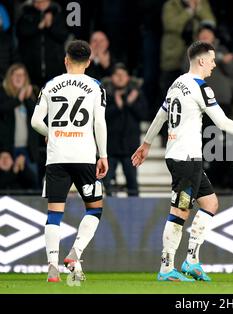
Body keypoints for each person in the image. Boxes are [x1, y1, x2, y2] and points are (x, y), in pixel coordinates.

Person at [131, 41, 233, 282]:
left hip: (185, 156)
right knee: (180, 211)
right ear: (201, 61)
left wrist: (147, 143)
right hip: (185, 158)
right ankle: (167, 267)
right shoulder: (201, 88)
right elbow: (223, 123)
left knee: (210, 204)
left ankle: (191, 261)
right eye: (211, 59)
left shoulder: (177, 83)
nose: (214, 64)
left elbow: (161, 114)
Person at [31, 40, 108, 283]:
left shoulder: (51, 85)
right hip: (84, 157)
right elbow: (99, 123)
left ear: (66, 60)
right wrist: (103, 155)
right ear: (88, 62)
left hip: (57, 158)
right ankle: (75, 253)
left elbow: (35, 121)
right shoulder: (96, 86)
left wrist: (50, 133)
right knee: (94, 208)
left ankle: (52, 267)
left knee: (54, 213)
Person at [103, 63, 148, 196]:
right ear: (112, 78)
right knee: (106, 183)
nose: (120, 78)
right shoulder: (105, 93)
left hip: (130, 148)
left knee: (132, 183)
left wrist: (129, 102)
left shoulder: (136, 93)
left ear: (128, 77)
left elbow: (144, 114)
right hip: (110, 147)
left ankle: (135, 211)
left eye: (123, 75)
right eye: (117, 75)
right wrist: (117, 106)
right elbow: (101, 116)